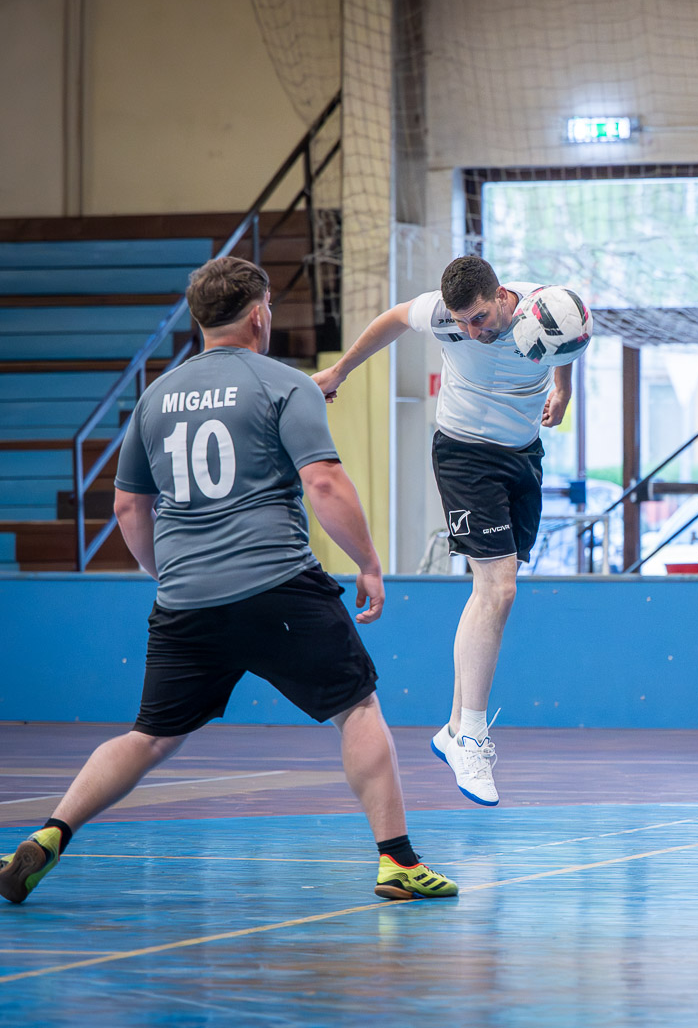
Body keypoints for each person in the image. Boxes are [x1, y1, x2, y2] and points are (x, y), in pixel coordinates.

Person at [0, 257, 456, 905]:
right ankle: (398, 862)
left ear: (199, 320)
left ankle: (50, 833)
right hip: (279, 587)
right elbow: (324, 483)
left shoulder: (154, 398)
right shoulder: (283, 383)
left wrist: (168, 575)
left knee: (150, 736)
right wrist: (369, 563)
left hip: (185, 602)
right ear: (259, 315)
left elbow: (128, 508)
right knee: (356, 708)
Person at [312, 256, 572, 806]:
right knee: (498, 587)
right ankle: (470, 735)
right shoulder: (441, 314)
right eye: (462, 323)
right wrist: (340, 372)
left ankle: (454, 730)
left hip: (523, 454)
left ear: (502, 295)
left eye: (480, 318)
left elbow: (570, 343)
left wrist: (563, 390)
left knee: (493, 591)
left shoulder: (545, 307)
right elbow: (391, 320)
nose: (472, 331)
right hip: (464, 454)